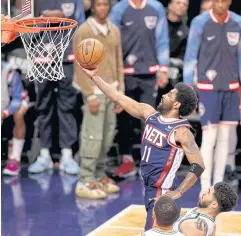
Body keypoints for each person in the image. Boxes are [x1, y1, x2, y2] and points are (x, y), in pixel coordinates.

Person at [77, 65, 205, 230]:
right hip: (150, 189)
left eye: (170, 94)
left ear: (177, 104)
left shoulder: (181, 131)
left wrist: (178, 192)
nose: (164, 94)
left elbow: (198, 164)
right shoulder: (149, 113)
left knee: (152, 232)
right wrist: (94, 77)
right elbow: (116, 97)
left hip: (162, 193)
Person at [183, 0, 241, 195]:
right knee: (209, 137)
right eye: (217, 1)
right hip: (208, 88)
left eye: (224, 1)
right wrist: (188, 89)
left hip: (232, 88)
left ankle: (217, 184)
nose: (220, 4)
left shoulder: (238, 22)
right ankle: (203, 186)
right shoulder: (200, 23)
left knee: (226, 138)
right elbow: (190, 56)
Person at [109, 0, 170, 178]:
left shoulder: (156, 7)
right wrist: (113, 72)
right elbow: (112, 42)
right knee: (125, 119)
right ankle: (126, 160)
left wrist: (163, 68)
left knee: (150, 120)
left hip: (149, 73)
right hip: (124, 73)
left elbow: (162, 39)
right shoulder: (119, 9)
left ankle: (149, 163)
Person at [28, 0, 85, 175]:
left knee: (67, 107)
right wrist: (45, 18)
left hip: (68, 59)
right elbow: (26, 28)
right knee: (43, 107)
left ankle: (67, 155)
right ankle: (44, 155)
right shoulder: (33, 1)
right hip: (42, 59)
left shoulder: (76, 1)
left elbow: (82, 29)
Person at [73, 0, 124, 199]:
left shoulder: (114, 30)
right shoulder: (84, 30)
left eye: (106, 5)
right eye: (99, 4)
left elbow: (119, 62)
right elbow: (79, 65)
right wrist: (89, 94)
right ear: (93, 7)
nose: (103, 8)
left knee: (107, 136)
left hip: (113, 90)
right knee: (92, 137)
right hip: (95, 90)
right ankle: (85, 178)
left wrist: (121, 94)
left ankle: (99, 174)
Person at [156, 0, 189, 106]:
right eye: (178, 3)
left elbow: (184, 58)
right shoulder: (157, 25)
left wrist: (168, 65)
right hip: (154, 70)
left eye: (185, 5)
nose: (182, 6)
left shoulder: (186, 32)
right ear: (169, 5)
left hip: (174, 75)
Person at [1, 61, 28, 176]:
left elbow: (17, 98)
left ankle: (15, 157)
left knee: (19, 113)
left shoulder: (9, 71)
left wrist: (5, 113)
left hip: (16, 101)